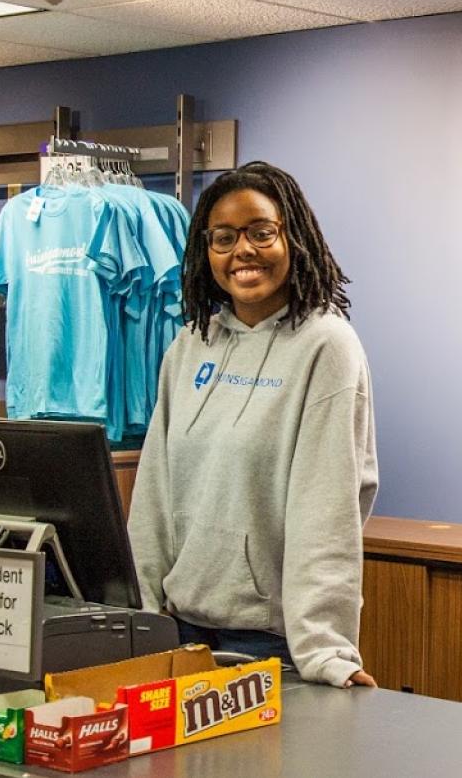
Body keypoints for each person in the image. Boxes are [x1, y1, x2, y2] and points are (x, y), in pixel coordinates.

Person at [129, 161, 378, 688]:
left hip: (269, 644)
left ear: (295, 239)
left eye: (262, 233)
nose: (243, 250)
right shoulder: (189, 346)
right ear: (205, 251)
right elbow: (154, 490)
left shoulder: (326, 346)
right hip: (180, 632)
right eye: (223, 238)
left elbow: (327, 506)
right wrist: (141, 612)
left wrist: (326, 649)